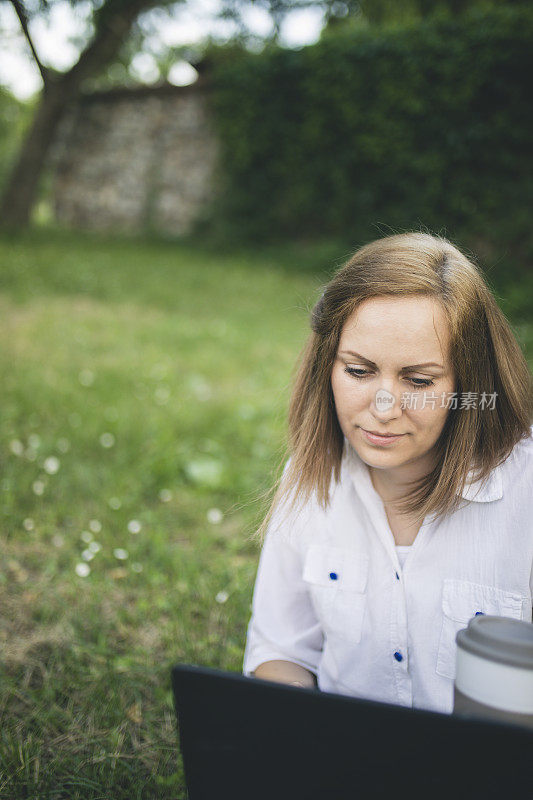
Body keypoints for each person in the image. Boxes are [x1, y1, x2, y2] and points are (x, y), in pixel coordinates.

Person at [242, 231, 533, 714]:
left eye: (419, 380)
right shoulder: (310, 478)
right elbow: (280, 650)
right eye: (358, 371)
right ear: (326, 366)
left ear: (470, 384)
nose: (382, 407)